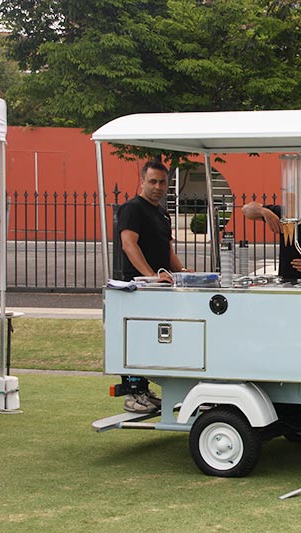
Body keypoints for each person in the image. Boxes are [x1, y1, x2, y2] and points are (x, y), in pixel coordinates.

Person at [116, 159, 186, 413]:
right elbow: (129, 244)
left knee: (155, 339)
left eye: (162, 182)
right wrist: (150, 276)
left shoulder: (162, 213)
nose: (157, 187)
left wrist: (183, 272)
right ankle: (133, 394)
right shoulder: (132, 209)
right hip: (137, 288)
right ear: (142, 181)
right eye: (152, 181)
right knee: (136, 339)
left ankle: (145, 391)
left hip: (158, 289)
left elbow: (167, 250)